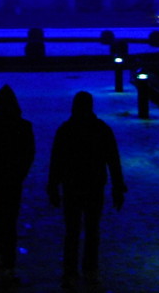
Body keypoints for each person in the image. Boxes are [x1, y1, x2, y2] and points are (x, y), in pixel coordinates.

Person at [48, 91, 127, 290]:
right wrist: (117, 187)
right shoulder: (102, 129)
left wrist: (53, 185)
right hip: (94, 185)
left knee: (72, 231)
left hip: (72, 185)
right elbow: (113, 160)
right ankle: (90, 270)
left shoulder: (66, 130)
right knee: (92, 230)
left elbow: (56, 161)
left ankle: (71, 272)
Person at [0, 84, 35, 285]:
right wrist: (21, 173)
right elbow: (29, 152)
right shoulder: (23, 125)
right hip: (12, 177)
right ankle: (8, 259)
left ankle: (1, 252)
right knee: (10, 217)